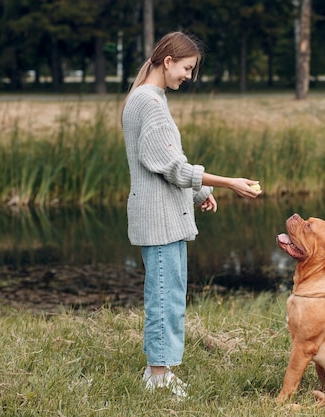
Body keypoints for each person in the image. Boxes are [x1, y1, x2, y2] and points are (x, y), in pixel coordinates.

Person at [121, 31, 261, 398]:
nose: (188, 75)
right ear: (166, 61)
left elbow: (169, 165)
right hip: (160, 221)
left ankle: (160, 367)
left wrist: (201, 192)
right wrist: (228, 182)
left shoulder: (147, 99)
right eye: (186, 68)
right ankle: (157, 376)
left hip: (163, 216)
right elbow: (175, 169)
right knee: (165, 297)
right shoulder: (149, 103)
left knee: (168, 292)